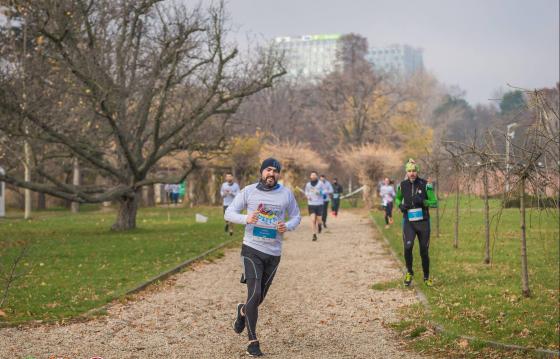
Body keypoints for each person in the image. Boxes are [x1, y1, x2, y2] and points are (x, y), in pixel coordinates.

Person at [225, 158, 301, 357]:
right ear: (261, 172)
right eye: (268, 170)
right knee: (254, 293)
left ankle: (242, 311)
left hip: (273, 253)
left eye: (275, 171)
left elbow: (296, 216)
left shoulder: (286, 194)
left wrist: (288, 226)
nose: (272, 173)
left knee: (259, 298)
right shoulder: (249, 191)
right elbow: (229, 212)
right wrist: (246, 218)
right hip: (252, 249)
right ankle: (252, 341)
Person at [395, 159, 438, 287]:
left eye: (414, 171)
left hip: (423, 222)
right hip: (409, 222)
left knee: (424, 250)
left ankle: (426, 277)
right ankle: (409, 272)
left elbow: (435, 202)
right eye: (409, 171)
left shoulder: (425, 185)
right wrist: (400, 206)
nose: (412, 173)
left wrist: (424, 202)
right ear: (406, 172)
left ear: (417, 171)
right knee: (408, 247)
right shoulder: (402, 185)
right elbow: (397, 199)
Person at [304, 171, 325, 241]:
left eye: (314, 175)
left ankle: (319, 225)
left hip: (319, 204)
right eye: (312, 175)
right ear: (310, 177)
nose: (313, 176)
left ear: (316, 176)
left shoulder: (321, 183)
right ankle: (314, 234)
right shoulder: (308, 185)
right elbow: (306, 192)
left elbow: (325, 191)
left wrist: (319, 192)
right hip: (311, 204)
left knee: (319, 220)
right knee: (313, 220)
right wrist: (307, 196)